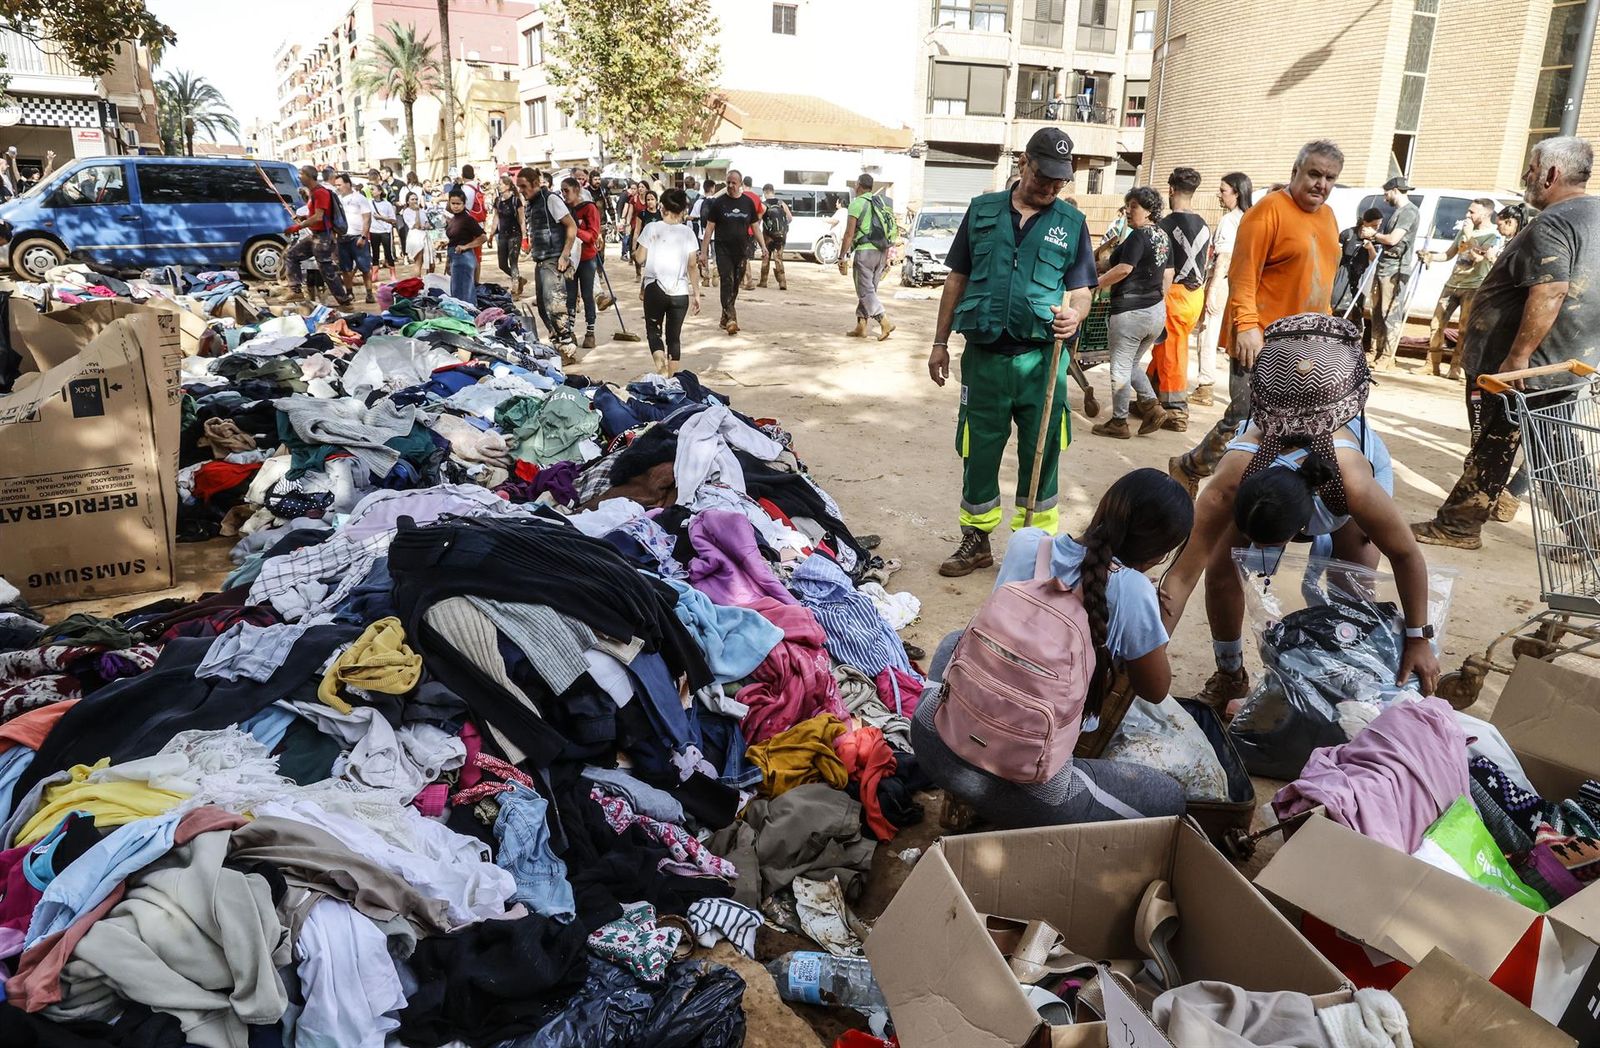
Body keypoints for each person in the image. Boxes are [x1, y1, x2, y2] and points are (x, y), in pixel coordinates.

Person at [1159, 314, 1441, 708]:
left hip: (1339, 478)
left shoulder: (1352, 483)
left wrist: (1418, 639)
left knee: (1352, 587)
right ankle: (1229, 674)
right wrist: (1149, 648)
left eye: (1269, 545)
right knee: (1222, 574)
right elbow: (1183, 574)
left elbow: (1406, 553)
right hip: (1274, 467)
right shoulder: (1231, 479)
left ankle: (1339, 674)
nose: (1259, 552)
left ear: (1305, 520)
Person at [911, 468, 1193, 828]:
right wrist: (1146, 613)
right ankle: (1003, 815)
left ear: (1105, 508)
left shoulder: (1028, 542)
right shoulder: (1134, 591)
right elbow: (1155, 689)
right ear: (1159, 552)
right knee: (1168, 795)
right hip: (1028, 786)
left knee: (955, 640)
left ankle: (961, 796)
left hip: (935, 742)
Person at [1413, 136, 1599, 551]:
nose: (1526, 178)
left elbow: (1550, 291)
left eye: (1532, 170)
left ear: (1551, 174)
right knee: (1556, 448)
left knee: (1495, 443)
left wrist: (1517, 358)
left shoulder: (1555, 222)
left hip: (1523, 367)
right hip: (1561, 362)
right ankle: (1588, 535)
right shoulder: (1593, 215)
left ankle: (1459, 525)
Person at [927, 127, 1096, 576]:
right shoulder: (981, 212)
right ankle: (976, 541)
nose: (1051, 187)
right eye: (1044, 176)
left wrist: (1076, 314)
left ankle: (1035, 548)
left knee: (1043, 451)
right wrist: (939, 343)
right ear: (1024, 163)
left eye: (1060, 181)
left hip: (1043, 361)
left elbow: (1082, 291)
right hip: (983, 358)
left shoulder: (1071, 224)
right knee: (978, 448)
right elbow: (956, 279)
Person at [1169, 140, 1344, 497]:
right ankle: (1191, 468)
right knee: (1246, 419)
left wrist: (1328, 334)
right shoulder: (1267, 212)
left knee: (1293, 425)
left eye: (1329, 178)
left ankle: (1260, 491)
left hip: (1307, 347)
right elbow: (1243, 274)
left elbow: (1322, 282)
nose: (1321, 184)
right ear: (1296, 172)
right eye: (1314, 174)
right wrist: (1247, 327)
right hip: (1262, 340)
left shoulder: (1327, 217)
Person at [1093, 186, 1173, 439]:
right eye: (1128, 205)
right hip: (1155, 312)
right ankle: (1152, 406)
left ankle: (1118, 422)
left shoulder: (1138, 237)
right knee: (1131, 364)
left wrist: (1096, 284)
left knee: (1119, 367)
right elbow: (1168, 275)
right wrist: (1158, 302)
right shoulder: (1163, 236)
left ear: (1149, 210)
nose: (1128, 210)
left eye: (1134, 206)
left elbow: (1124, 269)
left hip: (1131, 312)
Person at [1152, 166, 1211, 430]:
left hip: (1173, 294)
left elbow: (1162, 266)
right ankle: (1150, 397)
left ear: (1171, 190)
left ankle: (1176, 409)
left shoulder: (1164, 225)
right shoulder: (1204, 225)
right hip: (1195, 295)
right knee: (1163, 348)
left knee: (1172, 351)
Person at [1420, 197, 1501, 380]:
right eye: (1468, 210)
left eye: (1472, 212)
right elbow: (1449, 254)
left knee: (1464, 329)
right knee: (1436, 323)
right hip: (1452, 283)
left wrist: (1469, 234)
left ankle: (1455, 367)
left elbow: (1477, 258)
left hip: (1472, 286)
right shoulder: (1464, 231)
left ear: (1486, 213)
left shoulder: (1492, 236)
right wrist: (1431, 257)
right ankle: (1431, 364)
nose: (1468, 214)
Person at [1193, 172, 1253, 407]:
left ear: (1236, 193)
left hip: (1224, 281)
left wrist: (1213, 289)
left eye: (1223, 190)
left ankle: (1205, 385)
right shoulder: (1250, 218)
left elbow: (1224, 257)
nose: (1219, 195)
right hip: (1242, 285)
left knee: (1208, 332)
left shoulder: (1230, 220)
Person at [634, 187, 701, 375]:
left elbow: (639, 258)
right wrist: (696, 294)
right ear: (683, 210)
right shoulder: (688, 233)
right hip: (680, 291)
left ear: (662, 207)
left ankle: (661, 369)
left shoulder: (651, 228)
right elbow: (692, 265)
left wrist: (636, 250)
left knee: (653, 330)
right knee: (674, 337)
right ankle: (672, 379)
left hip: (655, 288)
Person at [515, 166, 578, 354]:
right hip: (541, 259)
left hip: (554, 259)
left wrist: (565, 255)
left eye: (524, 186)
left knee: (555, 305)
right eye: (519, 187)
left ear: (535, 183)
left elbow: (571, 226)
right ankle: (559, 342)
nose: (521, 191)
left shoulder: (550, 199)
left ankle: (567, 345)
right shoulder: (532, 204)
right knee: (543, 306)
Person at [699, 169, 766, 335]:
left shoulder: (747, 203)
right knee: (727, 282)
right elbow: (709, 229)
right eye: (728, 182)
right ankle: (731, 318)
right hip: (723, 250)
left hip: (741, 251)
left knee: (736, 284)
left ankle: (724, 316)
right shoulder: (718, 203)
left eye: (733, 183)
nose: (730, 185)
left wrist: (763, 246)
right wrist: (703, 252)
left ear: (740, 184)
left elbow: (755, 226)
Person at [1365, 176, 1420, 371]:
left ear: (1395, 190)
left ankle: (1387, 356)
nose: (1384, 197)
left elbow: (1393, 239)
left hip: (1396, 270)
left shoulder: (1409, 212)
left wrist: (1374, 235)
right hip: (1384, 267)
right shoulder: (1397, 212)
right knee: (1377, 312)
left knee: (1390, 313)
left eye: (1386, 193)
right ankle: (1375, 352)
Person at [838, 174, 899, 340]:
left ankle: (884, 321)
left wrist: (842, 255)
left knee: (865, 291)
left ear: (858, 185)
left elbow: (849, 233)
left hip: (865, 252)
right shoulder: (881, 203)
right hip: (881, 252)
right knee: (869, 289)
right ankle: (861, 326)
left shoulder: (856, 203)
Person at [283, 165, 351, 307]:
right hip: (317, 235)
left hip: (323, 237)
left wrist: (298, 226)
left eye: (301, 174)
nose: (299, 177)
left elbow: (319, 217)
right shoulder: (314, 193)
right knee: (290, 255)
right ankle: (296, 290)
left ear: (309, 176)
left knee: (326, 270)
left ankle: (343, 298)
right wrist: (302, 218)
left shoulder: (320, 193)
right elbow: (315, 215)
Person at [562, 176, 603, 349]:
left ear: (576, 190)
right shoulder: (563, 209)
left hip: (587, 258)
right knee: (570, 297)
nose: (564, 194)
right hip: (569, 259)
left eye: (567, 190)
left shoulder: (589, 208)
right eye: (562, 191)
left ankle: (590, 332)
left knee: (587, 296)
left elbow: (592, 235)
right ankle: (570, 331)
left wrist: (574, 230)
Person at [331, 173, 376, 304]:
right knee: (346, 269)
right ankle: (349, 293)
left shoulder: (359, 198)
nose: (338, 187)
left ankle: (369, 293)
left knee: (365, 267)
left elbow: (367, 218)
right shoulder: (337, 200)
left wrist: (363, 236)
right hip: (342, 238)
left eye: (339, 185)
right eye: (336, 185)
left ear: (348, 184)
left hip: (357, 237)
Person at [1333, 208, 1383, 317]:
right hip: (1343, 277)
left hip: (1361, 279)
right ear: (1365, 223)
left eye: (1379, 225)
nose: (1377, 228)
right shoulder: (1348, 234)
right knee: (1339, 308)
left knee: (1356, 311)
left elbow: (1375, 260)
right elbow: (1335, 255)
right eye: (1374, 226)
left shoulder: (1377, 238)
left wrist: (1370, 247)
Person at [444, 188, 486, 305]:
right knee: (457, 294)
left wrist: (466, 246)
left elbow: (483, 237)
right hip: (455, 259)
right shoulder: (453, 219)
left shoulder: (467, 219)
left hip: (464, 259)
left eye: (458, 204)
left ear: (464, 204)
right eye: (453, 203)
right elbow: (454, 240)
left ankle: (469, 319)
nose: (455, 206)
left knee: (465, 296)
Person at [489, 173, 524, 295]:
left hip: (515, 235)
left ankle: (515, 289)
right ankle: (519, 279)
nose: (499, 186)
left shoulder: (516, 201)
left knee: (513, 261)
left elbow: (521, 219)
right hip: (502, 235)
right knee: (502, 264)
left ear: (508, 186)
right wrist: (491, 234)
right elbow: (495, 218)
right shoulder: (498, 201)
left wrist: (524, 236)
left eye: (501, 184)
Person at [758, 183, 791, 290]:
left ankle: (763, 282)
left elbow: (757, 221)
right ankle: (782, 282)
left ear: (765, 192)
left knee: (766, 257)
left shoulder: (763, 205)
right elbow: (790, 218)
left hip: (768, 236)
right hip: (781, 235)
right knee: (778, 258)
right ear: (773, 191)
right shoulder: (781, 203)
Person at [368, 184, 399, 280]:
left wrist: (381, 218)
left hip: (385, 231)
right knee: (375, 253)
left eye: (373, 189)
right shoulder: (369, 203)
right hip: (373, 231)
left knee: (388, 252)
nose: (371, 191)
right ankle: (375, 273)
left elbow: (393, 220)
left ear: (380, 191)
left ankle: (392, 273)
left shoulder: (387, 204)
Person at [629, 189, 661, 275]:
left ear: (656, 201)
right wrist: (634, 247)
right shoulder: (642, 214)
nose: (650, 202)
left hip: (658, 244)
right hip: (645, 244)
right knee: (648, 267)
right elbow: (637, 231)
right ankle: (640, 275)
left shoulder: (661, 214)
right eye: (648, 200)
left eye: (652, 199)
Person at [400, 191, 431, 278]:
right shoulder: (407, 212)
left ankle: (428, 281)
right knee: (418, 261)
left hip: (424, 235)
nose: (415, 201)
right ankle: (417, 281)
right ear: (408, 201)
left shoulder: (422, 211)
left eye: (416, 199)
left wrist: (425, 226)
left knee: (429, 261)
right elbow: (416, 225)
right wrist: (417, 212)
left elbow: (427, 223)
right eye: (412, 199)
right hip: (415, 237)